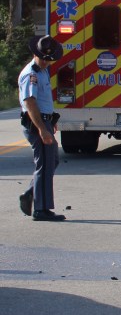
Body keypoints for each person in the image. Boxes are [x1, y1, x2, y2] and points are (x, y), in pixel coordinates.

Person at [18, 36, 65, 221]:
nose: (46, 61)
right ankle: (41, 210)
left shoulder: (44, 71)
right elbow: (30, 103)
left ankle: (32, 193)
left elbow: (44, 101)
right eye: (43, 58)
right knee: (44, 165)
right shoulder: (32, 74)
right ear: (35, 54)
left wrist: (50, 121)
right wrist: (42, 129)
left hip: (45, 121)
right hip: (36, 124)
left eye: (49, 58)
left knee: (51, 161)